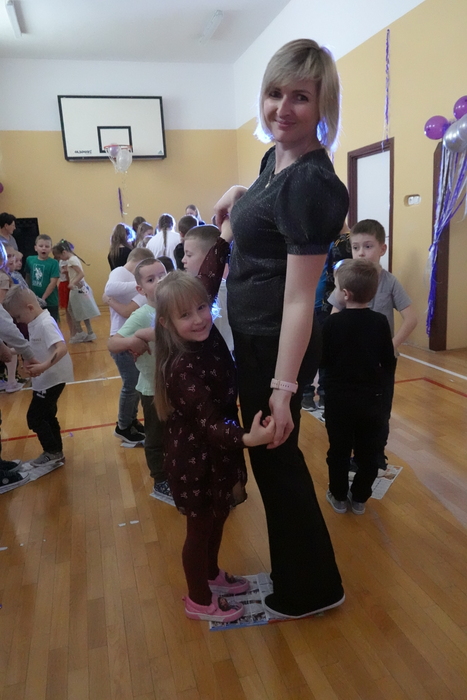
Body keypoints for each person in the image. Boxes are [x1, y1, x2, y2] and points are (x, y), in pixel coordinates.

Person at [214, 38, 349, 618]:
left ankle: (312, 588)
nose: (282, 109)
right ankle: (305, 577)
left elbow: (299, 299)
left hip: (277, 344)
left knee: (277, 461)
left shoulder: (311, 183)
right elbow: (269, 214)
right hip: (255, 337)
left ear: (323, 106)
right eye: (275, 94)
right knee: (273, 463)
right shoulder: (277, 159)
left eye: (301, 97)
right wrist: (238, 197)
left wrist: (284, 388)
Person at [154, 271, 275, 622]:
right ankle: (198, 599)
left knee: (218, 516)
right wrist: (248, 439)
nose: (199, 319)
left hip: (217, 452)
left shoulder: (206, 336)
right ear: (166, 323)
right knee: (200, 528)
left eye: (202, 307)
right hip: (195, 460)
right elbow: (209, 424)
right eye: (185, 315)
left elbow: (206, 277)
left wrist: (224, 241)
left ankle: (210, 574)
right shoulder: (182, 368)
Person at [327, 219, 417, 470]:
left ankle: (376, 454)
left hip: (381, 364)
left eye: (368, 246)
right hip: (352, 364)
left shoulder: (390, 282)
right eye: (356, 247)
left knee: (380, 409)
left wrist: (391, 346)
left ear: (382, 249)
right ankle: (355, 453)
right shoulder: (347, 279)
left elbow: (411, 318)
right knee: (354, 410)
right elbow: (334, 317)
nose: (361, 253)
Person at [321, 259, 396, 515]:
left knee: (338, 451)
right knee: (369, 452)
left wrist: (322, 385)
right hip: (371, 400)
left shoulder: (332, 323)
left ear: (345, 294)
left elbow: (323, 360)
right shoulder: (380, 322)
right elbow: (388, 361)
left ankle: (339, 496)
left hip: (339, 400)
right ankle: (360, 497)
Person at [107, 257, 173, 503]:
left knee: (177, 433)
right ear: (140, 289)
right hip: (153, 389)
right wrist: (132, 341)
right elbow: (112, 343)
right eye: (151, 279)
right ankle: (160, 480)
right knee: (156, 436)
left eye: (163, 274)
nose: (160, 281)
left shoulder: (176, 307)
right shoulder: (143, 314)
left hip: (179, 386)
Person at [3, 286, 74, 468]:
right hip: (46, 379)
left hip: (51, 379)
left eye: (18, 317)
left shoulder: (46, 323)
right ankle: (55, 452)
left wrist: (43, 366)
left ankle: (52, 451)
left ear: (30, 307)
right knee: (47, 415)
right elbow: (33, 345)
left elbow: (61, 348)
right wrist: (11, 351)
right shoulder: (35, 322)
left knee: (35, 417)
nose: (18, 321)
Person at [103, 246, 154, 444]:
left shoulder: (130, 282)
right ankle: (123, 426)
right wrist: (142, 282)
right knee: (131, 385)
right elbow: (114, 297)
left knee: (135, 385)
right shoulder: (120, 273)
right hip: (122, 339)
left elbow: (112, 297)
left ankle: (130, 421)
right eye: (151, 278)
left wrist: (109, 300)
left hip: (130, 339)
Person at [182, 224, 234, 353]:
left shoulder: (205, 290)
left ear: (209, 258)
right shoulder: (226, 285)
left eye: (189, 255)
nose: (183, 260)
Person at [52, 241, 100, 343]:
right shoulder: (73, 259)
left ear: (64, 252)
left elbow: (81, 274)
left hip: (77, 288)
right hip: (80, 288)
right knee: (82, 310)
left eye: (60, 257)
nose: (61, 259)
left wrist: (72, 283)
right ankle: (89, 332)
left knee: (71, 309)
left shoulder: (71, 260)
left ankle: (80, 332)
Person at [24, 234, 60, 323]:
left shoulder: (54, 263)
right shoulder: (30, 260)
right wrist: (29, 293)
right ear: (35, 248)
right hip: (34, 300)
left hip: (50, 301)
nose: (44, 248)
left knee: (51, 324)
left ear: (51, 249)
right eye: (41, 246)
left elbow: (53, 283)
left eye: (47, 246)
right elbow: (28, 276)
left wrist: (43, 298)